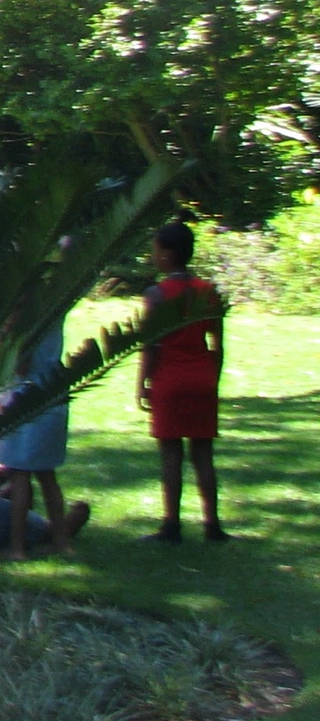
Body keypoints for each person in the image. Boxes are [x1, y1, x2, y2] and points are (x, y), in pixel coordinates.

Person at [140, 220, 227, 542]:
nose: (153, 255)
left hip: (170, 378)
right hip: (202, 376)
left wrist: (143, 382)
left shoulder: (157, 294)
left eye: (156, 249)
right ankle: (212, 523)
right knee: (203, 455)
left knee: (171, 455)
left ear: (167, 254)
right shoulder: (208, 292)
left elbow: (151, 345)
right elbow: (218, 344)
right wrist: (212, 378)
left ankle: (171, 524)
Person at [0, 317, 76, 560]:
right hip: (53, 393)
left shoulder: (25, 322)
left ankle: (16, 547)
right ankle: (61, 541)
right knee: (48, 475)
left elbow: (21, 365)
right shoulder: (54, 314)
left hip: (26, 398)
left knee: (19, 475)